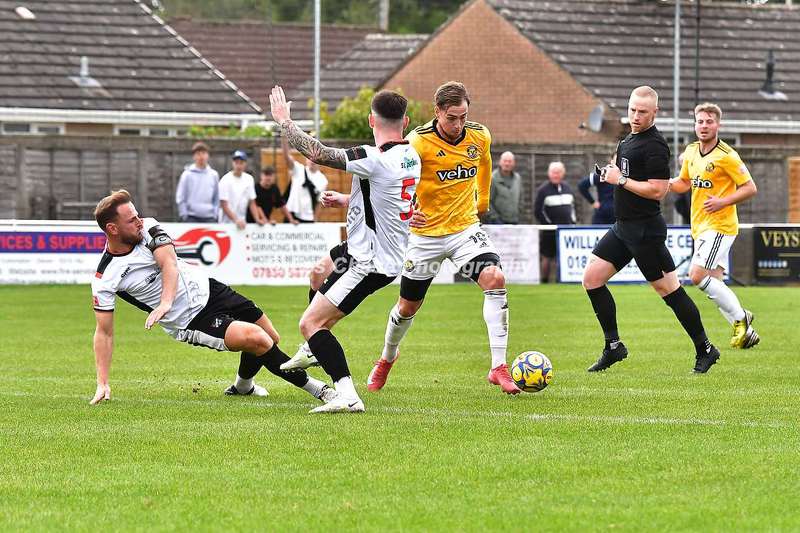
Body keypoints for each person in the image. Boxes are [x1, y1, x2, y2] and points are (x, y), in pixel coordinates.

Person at [88, 189, 335, 406]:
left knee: (271, 337)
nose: (139, 222)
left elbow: (169, 264)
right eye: (132, 220)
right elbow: (104, 333)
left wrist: (165, 302)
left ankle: (242, 387)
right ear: (112, 229)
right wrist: (102, 382)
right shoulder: (105, 277)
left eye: (138, 215)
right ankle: (320, 390)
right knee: (258, 339)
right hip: (190, 320)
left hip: (209, 289)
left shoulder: (148, 227)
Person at [269, 85, 421, 413]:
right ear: (405, 122)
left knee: (311, 324)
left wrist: (284, 122)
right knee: (317, 274)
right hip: (365, 247)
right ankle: (314, 349)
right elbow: (383, 196)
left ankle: (347, 394)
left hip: (369, 261)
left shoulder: (373, 158)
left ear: (371, 120)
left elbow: (318, 153)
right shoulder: (411, 156)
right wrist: (346, 199)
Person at [364, 81, 520, 395]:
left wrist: (483, 200)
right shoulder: (417, 142)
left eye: (463, 117)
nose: (458, 124)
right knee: (407, 307)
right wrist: (405, 210)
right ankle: (387, 358)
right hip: (425, 237)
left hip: (465, 230)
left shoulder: (480, 135)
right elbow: (391, 178)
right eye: (451, 118)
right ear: (437, 112)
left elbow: (485, 162)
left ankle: (498, 367)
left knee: (495, 278)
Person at [582, 86, 720, 374]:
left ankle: (705, 349)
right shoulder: (628, 139)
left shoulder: (655, 145)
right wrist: (611, 174)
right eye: (632, 109)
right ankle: (613, 346)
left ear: (655, 113)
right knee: (592, 279)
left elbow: (658, 190)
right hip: (623, 228)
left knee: (669, 291)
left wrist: (621, 181)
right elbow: (624, 174)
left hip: (645, 231)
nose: (635, 116)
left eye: (642, 112)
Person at [670, 102, 759, 349]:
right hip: (700, 226)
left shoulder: (727, 155)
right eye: (700, 121)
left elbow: (750, 187)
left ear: (718, 124)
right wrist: (661, 184)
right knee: (714, 281)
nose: (704, 126)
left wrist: (723, 201)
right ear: (695, 125)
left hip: (720, 226)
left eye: (709, 121)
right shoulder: (690, 151)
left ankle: (741, 317)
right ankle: (747, 333)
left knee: (697, 275)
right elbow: (683, 183)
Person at [534, 161, 576, 283]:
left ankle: (560, 280)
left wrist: (573, 223)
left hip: (566, 230)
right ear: (549, 173)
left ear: (563, 173)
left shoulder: (568, 188)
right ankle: (544, 281)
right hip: (549, 230)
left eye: (558, 172)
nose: (555, 175)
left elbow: (573, 208)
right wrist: (549, 225)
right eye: (553, 172)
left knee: (562, 256)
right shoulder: (542, 190)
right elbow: (538, 211)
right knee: (547, 257)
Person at [283, 134, 328, 223]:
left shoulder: (323, 180)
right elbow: (287, 157)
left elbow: (319, 202)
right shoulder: (298, 169)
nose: (312, 161)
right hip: (292, 215)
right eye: (309, 157)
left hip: (308, 218)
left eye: (315, 158)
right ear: (306, 159)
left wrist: (315, 219)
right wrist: (284, 139)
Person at [218, 149, 265, 229]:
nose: (239, 165)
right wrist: (236, 220)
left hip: (242, 224)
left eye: (241, 163)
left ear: (245, 164)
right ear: (233, 163)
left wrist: (257, 219)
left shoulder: (249, 179)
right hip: (226, 224)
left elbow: (252, 202)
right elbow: (224, 204)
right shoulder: (225, 180)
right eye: (236, 162)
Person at [175, 141, 219, 223]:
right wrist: (184, 215)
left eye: (203, 153)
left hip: (210, 218)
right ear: (194, 157)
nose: (201, 156)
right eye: (198, 154)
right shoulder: (187, 174)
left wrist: (215, 214)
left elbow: (217, 197)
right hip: (191, 217)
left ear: (208, 155)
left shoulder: (214, 175)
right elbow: (180, 197)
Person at [577, 158, 615, 225]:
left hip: (620, 216)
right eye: (616, 159)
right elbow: (582, 185)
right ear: (611, 161)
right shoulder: (604, 173)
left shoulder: (626, 175)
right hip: (603, 216)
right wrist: (593, 202)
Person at [488, 151, 522, 224]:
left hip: (514, 221)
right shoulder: (492, 178)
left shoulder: (517, 178)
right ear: (500, 162)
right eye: (505, 161)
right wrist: (495, 218)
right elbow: (488, 201)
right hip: (497, 223)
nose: (507, 164)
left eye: (510, 161)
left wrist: (519, 213)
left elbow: (521, 198)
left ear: (514, 163)